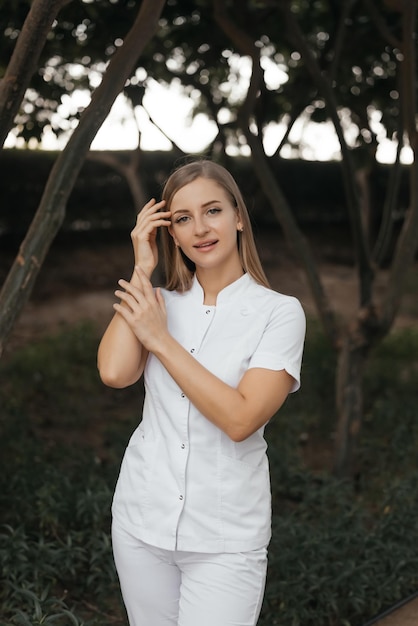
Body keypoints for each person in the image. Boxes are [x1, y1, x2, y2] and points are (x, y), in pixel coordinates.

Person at [97, 159, 306, 626]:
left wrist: (161, 341)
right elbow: (114, 372)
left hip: (225, 538)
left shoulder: (280, 313)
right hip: (140, 521)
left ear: (238, 217)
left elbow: (240, 419)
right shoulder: (159, 302)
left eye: (212, 210)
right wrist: (141, 268)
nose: (200, 229)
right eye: (183, 219)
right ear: (171, 234)